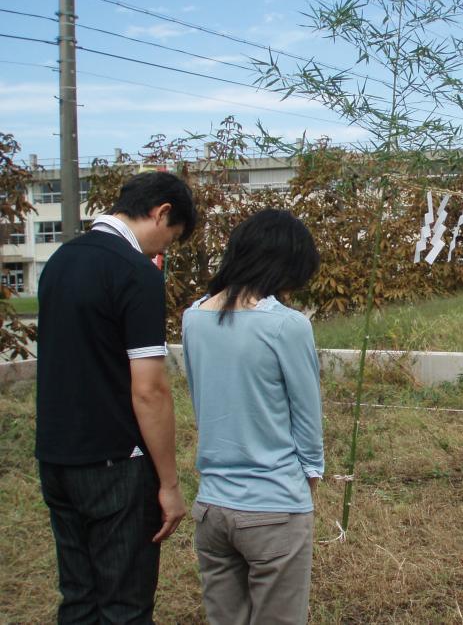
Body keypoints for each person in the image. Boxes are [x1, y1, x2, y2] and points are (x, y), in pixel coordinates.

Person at [35, 170, 197, 622]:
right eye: (171, 237)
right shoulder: (135, 272)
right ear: (161, 212)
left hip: (56, 457)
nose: (163, 250)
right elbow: (149, 390)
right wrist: (168, 483)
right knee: (124, 604)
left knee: (79, 596)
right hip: (115, 466)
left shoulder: (60, 262)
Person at [182, 209, 324, 625]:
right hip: (274, 506)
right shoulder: (287, 325)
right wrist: (309, 477)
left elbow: (200, 398)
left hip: (211, 507)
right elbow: (307, 417)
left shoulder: (193, 319)